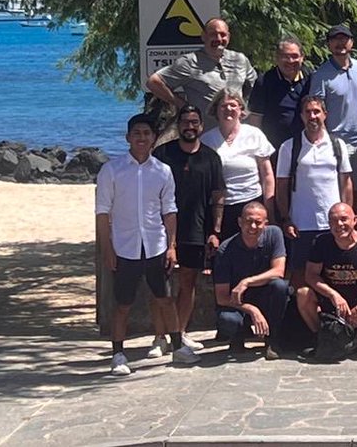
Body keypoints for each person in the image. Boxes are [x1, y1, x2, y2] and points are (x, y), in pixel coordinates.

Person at [96, 114, 200, 375]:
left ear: (154, 138)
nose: (142, 138)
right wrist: (107, 250)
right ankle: (118, 354)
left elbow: (170, 211)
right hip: (124, 246)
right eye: (137, 133)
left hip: (155, 245)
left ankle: (177, 346)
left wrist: (172, 245)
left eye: (147, 133)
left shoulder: (162, 171)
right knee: (122, 304)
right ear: (128, 137)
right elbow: (103, 213)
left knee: (164, 298)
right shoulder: (112, 170)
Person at [152, 103, 225, 351]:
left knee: (188, 283)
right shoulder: (162, 154)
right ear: (178, 125)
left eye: (194, 122)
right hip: (161, 230)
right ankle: (159, 337)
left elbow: (218, 197)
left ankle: (180, 334)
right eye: (185, 122)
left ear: (201, 126)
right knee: (161, 284)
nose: (190, 126)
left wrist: (215, 231)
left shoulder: (211, 158)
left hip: (196, 229)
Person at [276, 95, 354, 285]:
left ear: (325, 114)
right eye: (308, 112)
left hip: (333, 224)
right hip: (302, 225)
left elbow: (346, 183)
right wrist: (286, 219)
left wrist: (348, 217)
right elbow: (281, 185)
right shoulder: (289, 147)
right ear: (302, 116)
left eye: (316, 111)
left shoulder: (338, 145)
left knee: (332, 276)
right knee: (300, 277)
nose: (312, 116)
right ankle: (298, 314)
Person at [297, 202, 357, 352]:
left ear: (355, 220)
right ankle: (322, 337)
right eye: (333, 220)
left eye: (344, 219)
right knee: (302, 294)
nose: (339, 224)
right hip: (331, 301)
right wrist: (333, 294)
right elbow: (311, 275)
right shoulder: (321, 243)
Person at [147, 17, 257, 129]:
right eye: (213, 34)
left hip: (236, 135)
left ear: (228, 37)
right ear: (203, 36)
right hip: (205, 136)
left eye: (223, 35)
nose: (218, 39)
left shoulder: (240, 60)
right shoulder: (189, 62)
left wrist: (244, 106)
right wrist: (182, 105)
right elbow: (154, 82)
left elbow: (256, 86)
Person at [212, 201, 288, 360]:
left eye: (258, 222)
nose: (253, 226)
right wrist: (252, 310)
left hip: (264, 295)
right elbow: (222, 297)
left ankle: (273, 340)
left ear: (265, 224)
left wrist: (246, 282)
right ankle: (238, 337)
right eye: (248, 221)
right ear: (240, 222)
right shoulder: (225, 250)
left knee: (280, 287)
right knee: (227, 320)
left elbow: (279, 271)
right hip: (237, 301)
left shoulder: (274, 234)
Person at [200, 88, 275, 241]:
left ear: (241, 109)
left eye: (233, 105)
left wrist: (269, 210)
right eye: (223, 106)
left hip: (251, 204)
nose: (228, 109)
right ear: (216, 110)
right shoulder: (206, 140)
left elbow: (267, 175)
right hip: (220, 210)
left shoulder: (254, 134)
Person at [308, 23, 357, 186]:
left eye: (344, 39)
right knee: (338, 191)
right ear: (329, 45)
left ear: (351, 42)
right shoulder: (321, 75)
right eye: (335, 40)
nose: (340, 43)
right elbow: (316, 113)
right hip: (335, 142)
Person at [248, 36, 311, 151]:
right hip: (274, 148)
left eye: (295, 56)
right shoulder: (264, 81)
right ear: (276, 58)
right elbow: (255, 120)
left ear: (302, 58)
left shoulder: (310, 79)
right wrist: (259, 149)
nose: (290, 61)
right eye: (285, 56)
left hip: (305, 147)